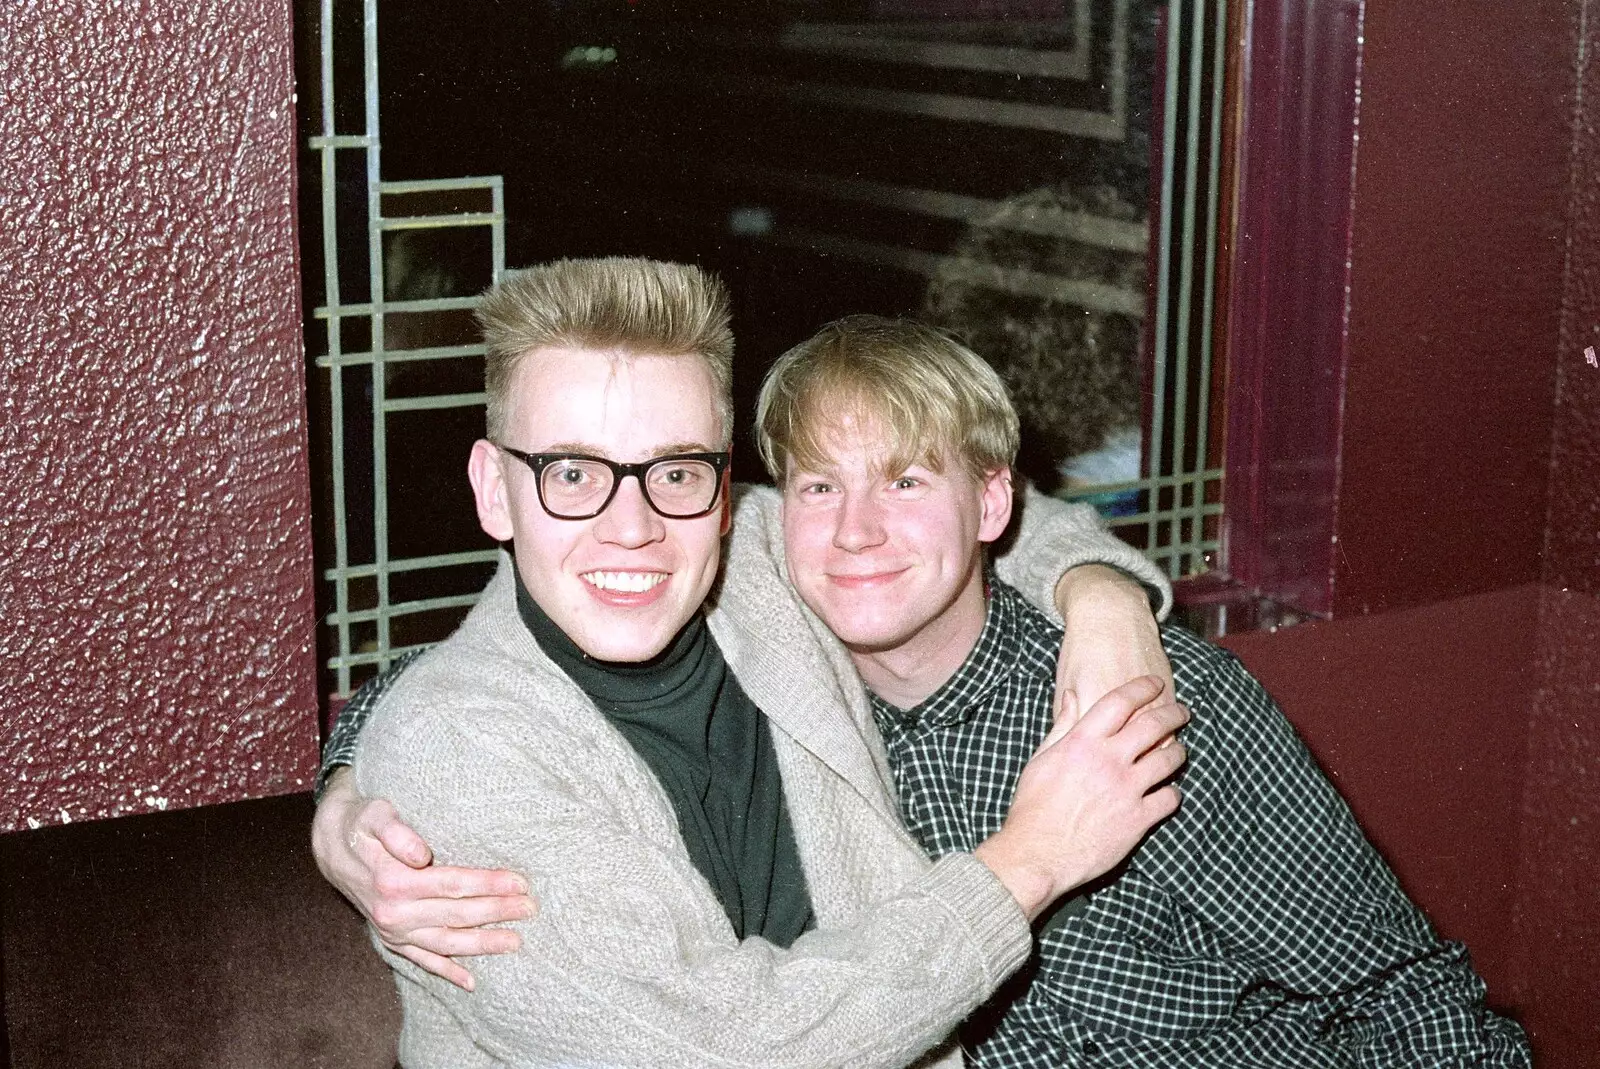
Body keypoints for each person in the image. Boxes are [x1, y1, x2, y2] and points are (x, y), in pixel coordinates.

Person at [322, 257, 1189, 1068]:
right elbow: (729, 1048)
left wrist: (1100, 594)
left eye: (675, 471)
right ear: (491, 489)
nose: (634, 527)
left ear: (724, 485)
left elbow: (948, 502)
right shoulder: (459, 749)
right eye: (573, 473)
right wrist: (1032, 857)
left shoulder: (758, 563)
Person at [751, 316, 1532, 1066]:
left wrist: (1103, 590)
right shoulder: (784, 737)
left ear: (992, 503)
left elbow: (1401, 991)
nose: (855, 529)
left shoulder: (1152, 695)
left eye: (905, 480)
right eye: (819, 487)